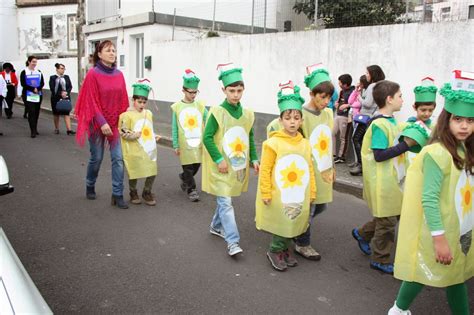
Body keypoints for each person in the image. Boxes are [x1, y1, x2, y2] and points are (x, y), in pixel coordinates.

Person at [388, 71, 473, 315]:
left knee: (455, 277)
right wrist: (439, 238)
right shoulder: (438, 154)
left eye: (470, 120)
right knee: (422, 271)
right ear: (447, 120)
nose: (465, 125)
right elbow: (429, 198)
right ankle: (398, 310)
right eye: (458, 119)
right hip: (439, 229)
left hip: (460, 229)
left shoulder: (467, 151)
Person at [351, 80, 417, 274]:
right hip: (383, 183)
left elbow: (395, 134)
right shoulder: (380, 124)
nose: (402, 100)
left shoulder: (390, 121)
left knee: (388, 217)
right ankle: (380, 258)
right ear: (389, 99)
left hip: (391, 181)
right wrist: (407, 144)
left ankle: (362, 233)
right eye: (400, 96)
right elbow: (379, 155)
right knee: (387, 223)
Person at [256, 81, 316, 271]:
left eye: (296, 117)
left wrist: (312, 191)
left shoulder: (305, 143)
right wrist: (266, 192)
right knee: (283, 222)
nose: (292, 121)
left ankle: (285, 249)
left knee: (296, 220)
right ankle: (275, 250)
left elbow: (309, 169)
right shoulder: (273, 143)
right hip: (279, 192)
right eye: (288, 117)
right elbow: (265, 169)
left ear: (301, 121)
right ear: (280, 121)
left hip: (299, 191)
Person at [202, 63, 259, 256]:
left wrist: (254, 159)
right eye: (231, 90)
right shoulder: (216, 112)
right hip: (221, 167)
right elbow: (207, 137)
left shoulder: (248, 114)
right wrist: (218, 159)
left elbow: (249, 136)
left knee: (225, 200)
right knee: (226, 202)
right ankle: (232, 242)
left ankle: (215, 226)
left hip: (236, 165)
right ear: (223, 90)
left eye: (239, 90)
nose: (235, 94)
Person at [74, 40, 130, 209]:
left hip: (113, 123)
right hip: (96, 123)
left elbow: (123, 100)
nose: (112, 53)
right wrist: (102, 122)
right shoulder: (93, 74)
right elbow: (91, 101)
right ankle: (90, 184)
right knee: (96, 158)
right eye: (108, 50)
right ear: (99, 54)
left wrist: (122, 121)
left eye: (113, 50)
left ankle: (117, 194)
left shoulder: (119, 75)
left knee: (118, 158)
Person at [293, 63, 335, 261]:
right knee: (309, 206)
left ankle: (294, 227)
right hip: (308, 168)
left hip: (324, 166)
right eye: (322, 97)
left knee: (321, 206)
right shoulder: (301, 114)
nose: (326, 102)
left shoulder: (328, 113)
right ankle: (302, 243)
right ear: (311, 93)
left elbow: (327, 138)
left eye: (328, 97)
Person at [119, 81, 158, 206]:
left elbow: (149, 128)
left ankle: (147, 191)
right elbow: (123, 131)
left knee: (152, 170)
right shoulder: (126, 115)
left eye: (144, 102)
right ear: (133, 100)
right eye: (139, 102)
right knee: (134, 171)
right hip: (134, 149)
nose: (142, 104)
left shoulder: (148, 113)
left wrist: (153, 136)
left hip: (148, 148)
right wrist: (133, 135)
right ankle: (133, 191)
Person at [171, 69, 208, 202]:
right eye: (190, 92)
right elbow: (174, 127)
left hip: (198, 142)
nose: (193, 95)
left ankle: (185, 177)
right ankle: (191, 189)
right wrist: (175, 144)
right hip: (184, 143)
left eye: (195, 92)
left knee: (196, 165)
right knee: (188, 166)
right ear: (183, 90)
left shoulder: (200, 105)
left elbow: (208, 119)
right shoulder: (177, 107)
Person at [350, 65, 385, 175]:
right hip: (373, 118)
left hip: (366, 118)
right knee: (364, 142)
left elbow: (367, 103)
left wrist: (359, 97)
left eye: (367, 73)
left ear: (373, 74)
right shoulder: (380, 85)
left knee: (356, 139)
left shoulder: (372, 86)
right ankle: (362, 164)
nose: (366, 75)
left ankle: (361, 165)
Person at [403, 77, 437, 168]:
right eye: (423, 110)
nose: (427, 114)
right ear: (415, 107)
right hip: (411, 162)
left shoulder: (434, 126)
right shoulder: (409, 125)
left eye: (430, 110)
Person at [347, 75, 369, 167]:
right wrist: (355, 91)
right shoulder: (360, 91)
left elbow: (360, 104)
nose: (359, 84)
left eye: (360, 82)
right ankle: (357, 161)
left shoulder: (366, 92)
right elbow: (350, 101)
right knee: (355, 140)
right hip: (355, 118)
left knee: (357, 139)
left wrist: (353, 104)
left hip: (362, 119)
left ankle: (360, 162)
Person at [20, 56, 45, 138]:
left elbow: (42, 83)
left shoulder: (38, 72)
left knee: (36, 112)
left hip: (37, 94)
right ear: (29, 62)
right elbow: (23, 83)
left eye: (35, 62)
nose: (34, 63)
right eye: (33, 62)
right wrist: (32, 89)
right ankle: (32, 131)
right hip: (28, 94)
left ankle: (35, 127)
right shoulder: (24, 72)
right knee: (31, 111)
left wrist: (37, 88)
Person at [333, 74, 355, 163]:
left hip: (346, 117)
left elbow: (356, 103)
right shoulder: (342, 91)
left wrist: (348, 105)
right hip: (338, 115)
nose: (338, 84)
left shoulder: (353, 92)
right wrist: (336, 104)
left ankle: (341, 157)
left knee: (343, 137)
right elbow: (338, 101)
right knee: (332, 133)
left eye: (340, 82)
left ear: (345, 84)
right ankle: (333, 154)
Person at [49, 63, 75, 135]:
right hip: (56, 98)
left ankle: (69, 130)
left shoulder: (66, 77)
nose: (63, 70)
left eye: (64, 69)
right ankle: (56, 128)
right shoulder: (53, 78)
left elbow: (70, 86)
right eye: (61, 68)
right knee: (56, 113)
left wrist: (66, 93)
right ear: (57, 69)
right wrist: (61, 93)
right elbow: (52, 88)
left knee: (67, 113)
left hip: (66, 97)